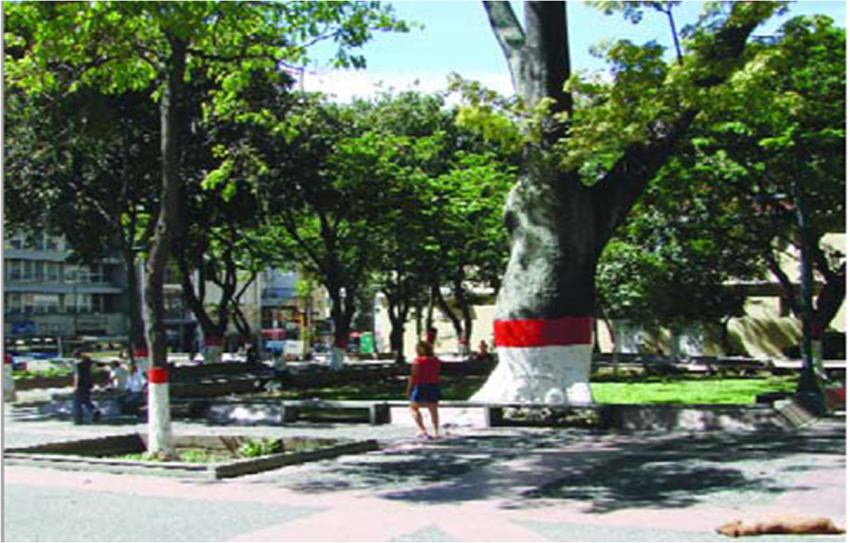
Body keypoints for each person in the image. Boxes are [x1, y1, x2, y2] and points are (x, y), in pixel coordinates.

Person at [406, 340, 442, 439]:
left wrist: (409, 389)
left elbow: (413, 376)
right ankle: (436, 431)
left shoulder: (418, 361)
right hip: (434, 385)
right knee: (433, 409)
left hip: (420, 385)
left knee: (413, 407)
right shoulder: (436, 360)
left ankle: (423, 430)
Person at [72, 350, 100, 424]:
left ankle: (78, 419)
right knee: (86, 399)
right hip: (88, 384)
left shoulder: (77, 364)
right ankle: (94, 410)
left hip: (80, 384)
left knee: (77, 402)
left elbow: (77, 376)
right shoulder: (88, 362)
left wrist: (75, 385)